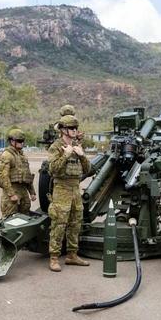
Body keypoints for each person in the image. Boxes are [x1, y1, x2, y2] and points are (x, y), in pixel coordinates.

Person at [47, 115, 91, 272]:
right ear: (64, 130)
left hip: (75, 190)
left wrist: (82, 155)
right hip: (61, 190)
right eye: (72, 128)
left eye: (76, 128)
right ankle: (53, 257)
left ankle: (72, 255)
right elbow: (52, 170)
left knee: (75, 223)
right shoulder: (56, 147)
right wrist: (66, 154)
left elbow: (88, 170)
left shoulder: (76, 146)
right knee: (59, 224)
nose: (75, 131)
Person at [0, 128, 36, 217]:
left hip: (23, 191)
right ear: (11, 141)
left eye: (23, 141)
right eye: (19, 141)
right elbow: (3, 177)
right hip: (12, 190)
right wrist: (11, 194)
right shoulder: (7, 155)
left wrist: (32, 192)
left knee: (25, 218)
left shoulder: (23, 156)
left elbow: (27, 176)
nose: (21, 143)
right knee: (10, 219)